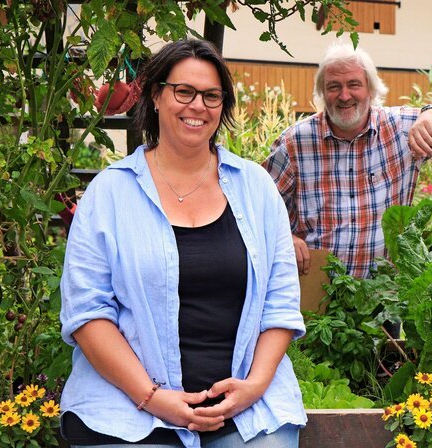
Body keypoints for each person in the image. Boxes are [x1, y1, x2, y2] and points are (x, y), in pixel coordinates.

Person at [59, 39, 305, 448]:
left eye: (211, 96)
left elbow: (280, 304)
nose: (198, 106)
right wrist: (154, 398)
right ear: (156, 96)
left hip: (244, 405)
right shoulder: (109, 194)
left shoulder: (257, 189)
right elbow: (87, 314)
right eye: (184, 92)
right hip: (129, 408)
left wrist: (256, 385)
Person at [263, 42, 432, 279]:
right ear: (322, 93)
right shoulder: (295, 143)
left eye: (354, 84)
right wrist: (285, 237)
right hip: (316, 292)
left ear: (371, 90)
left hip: (384, 297)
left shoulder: (402, 129)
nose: (344, 96)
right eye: (334, 87)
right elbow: (257, 206)